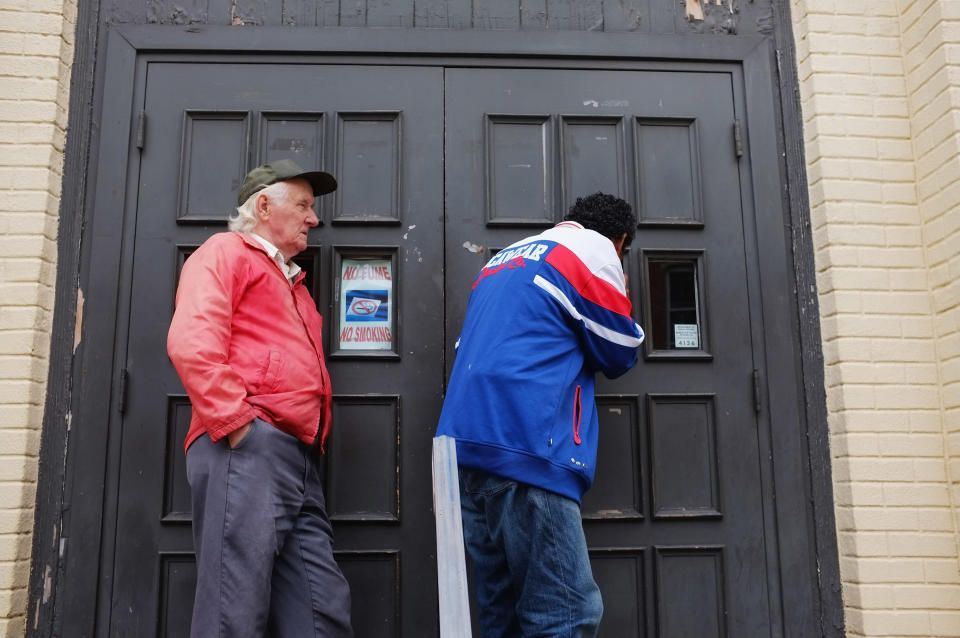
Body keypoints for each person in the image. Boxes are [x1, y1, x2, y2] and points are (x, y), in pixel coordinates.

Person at [436, 192, 644, 638]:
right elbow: (619, 351)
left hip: (466, 447)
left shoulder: (501, 261)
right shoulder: (591, 251)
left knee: (503, 612)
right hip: (526, 443)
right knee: (565, 612)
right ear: (621, 240)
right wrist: (621, 291)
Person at [167, 159, 352, 638]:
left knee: (321, 608)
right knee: (233, 610)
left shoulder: (295, 284)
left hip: (298, 457)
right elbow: (192, 341)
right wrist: (240, 426)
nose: (314, 219)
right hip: (247, 447)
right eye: (305, 206)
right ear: (264, 205)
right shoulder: (225, 252)